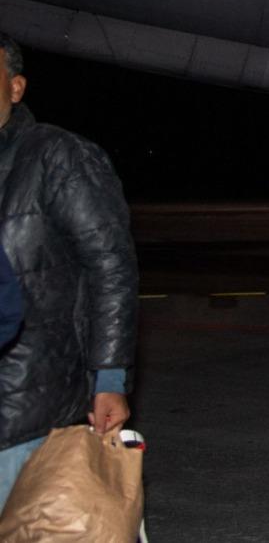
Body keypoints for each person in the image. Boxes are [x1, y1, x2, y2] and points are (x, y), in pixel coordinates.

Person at [0, 33, 138, 507]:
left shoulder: (57, 157)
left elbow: (110, 267)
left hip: (28, 406)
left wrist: (110, 380)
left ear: (16, 88)